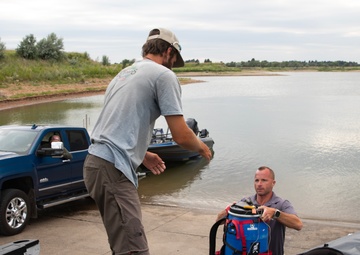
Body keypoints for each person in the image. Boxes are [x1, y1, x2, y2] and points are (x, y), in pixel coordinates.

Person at [83, 28, 212, 255]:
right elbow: (181, 135)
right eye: (174, 59)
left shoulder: (125, 73)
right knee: (134, 249)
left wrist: (143, 154)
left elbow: (116, 125)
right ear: (169, 51)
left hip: (98, 163)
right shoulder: (163, 75)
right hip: (113, 168)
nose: (173, 65)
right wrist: (203, 147)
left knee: (124, 245)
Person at [216, 166, 303, 255]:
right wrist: (228, 210)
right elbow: (218, 221)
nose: (259, 184)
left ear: (273, 183)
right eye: (257, 180)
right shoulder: (245, 202)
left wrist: (275, 213)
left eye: (264, 180)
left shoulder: (281, 204)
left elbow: (298, 224)